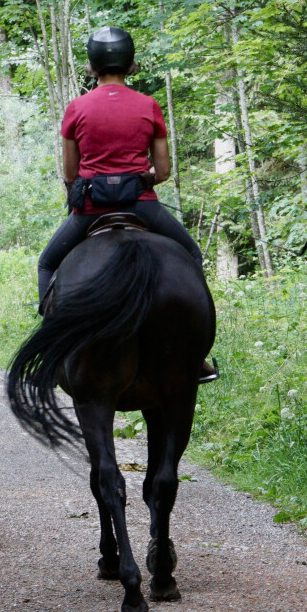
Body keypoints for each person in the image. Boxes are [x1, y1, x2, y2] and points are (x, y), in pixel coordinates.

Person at [37, 26, 217, 381]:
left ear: (92, 66)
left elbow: (71, 174)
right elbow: (163, 170)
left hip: (90, 211)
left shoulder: (77, 108)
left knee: (47, 263)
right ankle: (197, 355)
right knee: (192, 256)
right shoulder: (148, 105)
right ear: (131, 64)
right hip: (141, 206)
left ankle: (52, 349)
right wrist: (141, 180)